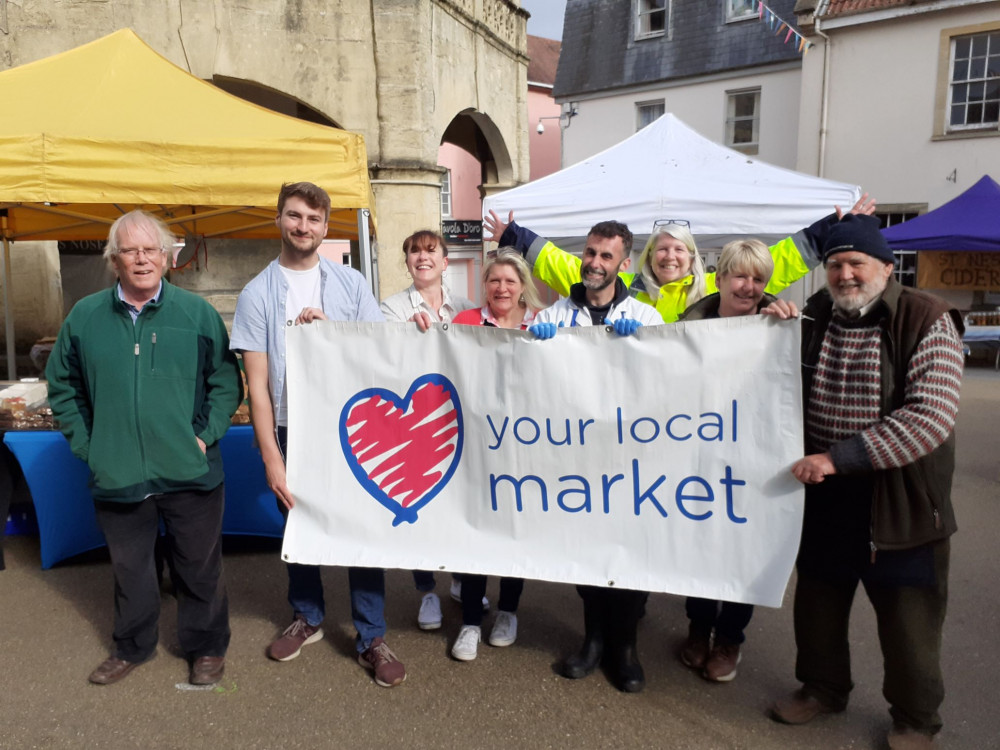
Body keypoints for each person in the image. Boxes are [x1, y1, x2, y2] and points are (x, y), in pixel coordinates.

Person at [762, 215, 964, 750]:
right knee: (820, 602)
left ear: (886, 268)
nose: (844, 274)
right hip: (825, 495)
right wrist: (767, 321)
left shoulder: (927, 319)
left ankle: (916, 719)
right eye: (835, 265)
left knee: (909, 620)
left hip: (899, 500)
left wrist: (836, 457)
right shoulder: (817, 313)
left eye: (856, 264)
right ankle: (822, 688)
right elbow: (768, 375)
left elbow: (929, 418)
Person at [46, 210, 243, 686]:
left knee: (199, 569)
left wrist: (202, 435)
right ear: (114, 259)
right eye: (130, 251)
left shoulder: (196, 314)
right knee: (130, 572)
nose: (141, 259)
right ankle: (133, 646)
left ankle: (206, 649)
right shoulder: (85, 317)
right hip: (118, 473)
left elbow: (224, 382)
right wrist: (91, 447)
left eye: (150, 249)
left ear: (167, 258)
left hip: (190, 470)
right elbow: (63, 388)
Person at [229, 182, 406, 688]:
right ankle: (307, 615)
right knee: (298, 525)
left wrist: (335, 333)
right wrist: (271, 457)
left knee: (359, 526)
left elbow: (378, 352)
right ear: (279, 220)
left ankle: (371, 634)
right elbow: (257, 388)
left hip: (351, 422)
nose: (302, 227)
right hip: (292, 425)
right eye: (293, 216)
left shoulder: (349, 285)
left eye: (312, 219)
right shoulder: (257, 293)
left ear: (326, 227)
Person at [531, 220, 662, 693]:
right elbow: (525, 375)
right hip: (577, 459)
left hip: (630, 459)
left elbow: (666, 384)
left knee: (627, 553)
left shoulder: (647, 319)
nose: (595, 263)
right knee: (587, 553)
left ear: (624, 264)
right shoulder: (553, 317)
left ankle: (624, 650)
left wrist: (643, 350)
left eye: (606, 256)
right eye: (590, 253)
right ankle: (592, 641)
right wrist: (534, 349)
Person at [482, 193, 876, 324]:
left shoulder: (721, 285)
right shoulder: (627, 286)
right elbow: (564, 264)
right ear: (647, 257)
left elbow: (782, 260)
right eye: (662, 248)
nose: (670, 256)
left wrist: (834, 230)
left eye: (679, 249)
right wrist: (515, 237)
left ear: (693, 258)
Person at [675, 238, 776, 682]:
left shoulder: (780, 328)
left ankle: (730, 637)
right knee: (700, 548)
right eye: (741, 275)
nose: (748, 286)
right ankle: (699, 628)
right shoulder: (688, 328)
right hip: (698, 456)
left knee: (741, 551)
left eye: (758, 279)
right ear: (719, 278)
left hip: (754, 460)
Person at [378, 230, 483, 631]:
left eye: (430, 251)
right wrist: (406, 333)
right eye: (414, 252)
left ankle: (459, 580)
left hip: (457, 420)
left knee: (457, 505)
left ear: (444, 262)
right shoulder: (389, 309)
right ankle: (426, 592)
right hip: (414, 424)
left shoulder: (469, 308)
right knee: (419, 505)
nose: (423, 258)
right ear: (407, 262)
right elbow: (383, 359)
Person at [448, 250, 545, 661]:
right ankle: (470, 620)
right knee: (475, 533)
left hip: (526, 445)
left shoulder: (543, 327)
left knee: (514, 530)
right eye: (494, 281)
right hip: (475, 446)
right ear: (484, 286)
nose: (502, 288)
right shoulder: (464, 323)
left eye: (510, 280)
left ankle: (508, 611)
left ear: (523, 285)